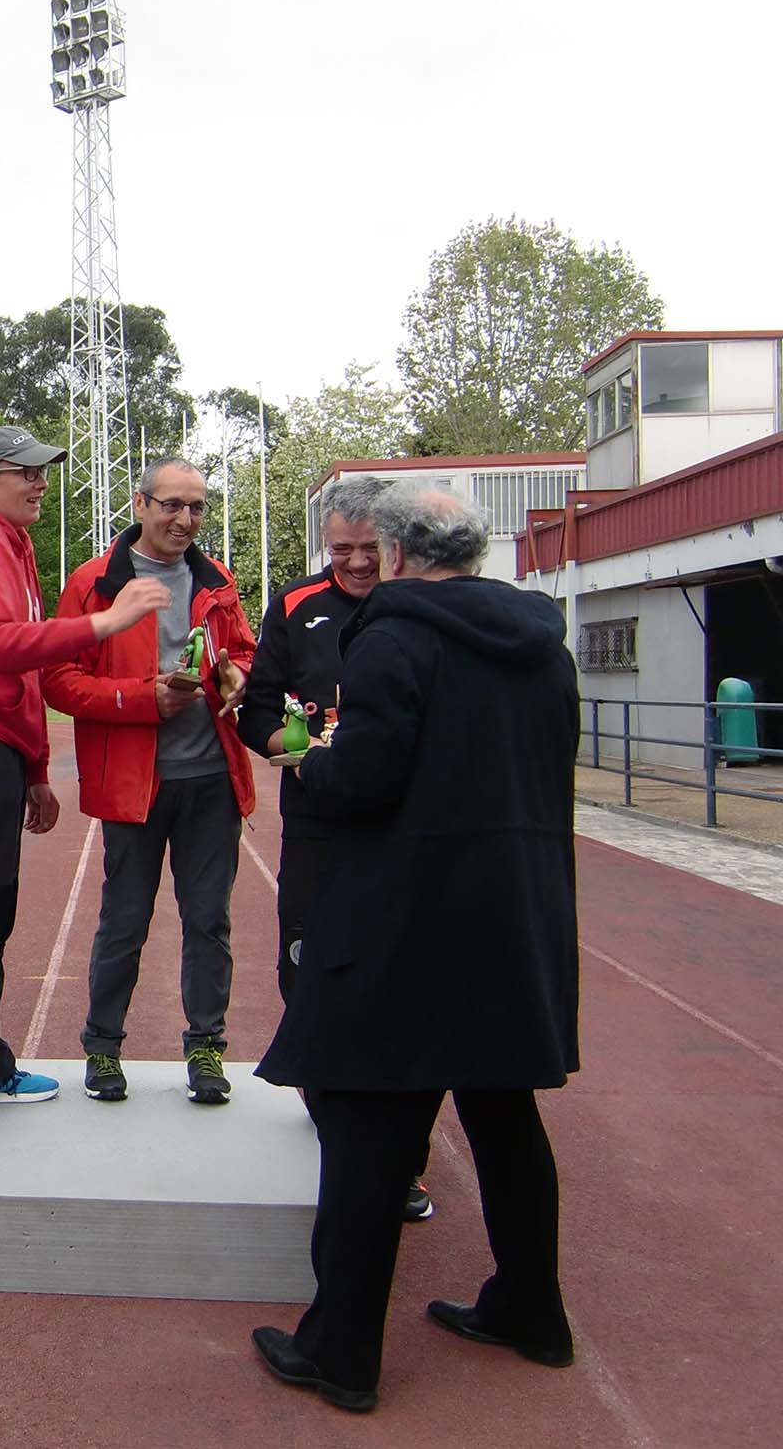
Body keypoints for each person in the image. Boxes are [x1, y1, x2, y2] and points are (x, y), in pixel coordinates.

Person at [250, 484, 579, 1414]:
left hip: (409, 921)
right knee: (504, 1113)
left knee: (368, 1129)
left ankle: (341, 1352)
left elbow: (366, 780)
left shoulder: (394, 638)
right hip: (516, 917)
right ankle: (531, 1309)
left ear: (396, 553)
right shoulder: (544, 647)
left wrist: (312, 757)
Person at [0, 427, 170, 1123]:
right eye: (27, 471)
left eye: (45, 471)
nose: (42, 483)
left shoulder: (8, 542)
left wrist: (36, 767)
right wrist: (105, 623)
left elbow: (22, 674)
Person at [239, 474, 435, 1223]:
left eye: (369, 548)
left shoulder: (422, 605)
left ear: (395, 544)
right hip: (319, 823)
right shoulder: (294, 604)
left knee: (400, 983)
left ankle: (400, 1161)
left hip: (405, 831)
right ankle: (332, 1114)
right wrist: (289, 749)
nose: (355, 562)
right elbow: (258, 706)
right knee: (308, 968)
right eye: (341, 549)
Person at [41, 456, 256, 1104]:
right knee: (125, 922)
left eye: (197, 507)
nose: (185, 519)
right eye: (172, 505)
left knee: (208, 921)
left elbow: (245, 652)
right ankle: (103, 1048)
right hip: (134, 784)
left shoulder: (217, 579)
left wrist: (239, 676)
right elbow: (59, 680)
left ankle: (207, 1048)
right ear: (140, 505)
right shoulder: (94, 582)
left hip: (212, 779)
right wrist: (143, 699)